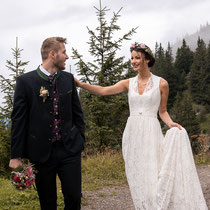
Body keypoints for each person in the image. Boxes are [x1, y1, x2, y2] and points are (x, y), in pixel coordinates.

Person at [74, 42, 208, 210]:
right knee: (137, 175)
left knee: (153, 173)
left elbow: (163, 112)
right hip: (133, 132)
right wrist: (80, 84)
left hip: (151, 131)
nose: (134, 61)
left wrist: (170, 123)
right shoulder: (127, 83)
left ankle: (156, 205)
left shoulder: (162, 84)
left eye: (137, 58)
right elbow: (103, 90)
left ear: (147, 60)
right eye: (132, 58)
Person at [9, 37, 85, 210]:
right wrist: (16, 155)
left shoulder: (68, 79)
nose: (67, 56)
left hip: (69, 150)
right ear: (52, 54)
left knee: (74, 198)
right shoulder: (25, 82)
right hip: (41, 153)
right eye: (64, 52)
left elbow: (77, 113)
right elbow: (18, 120)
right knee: (47, 202)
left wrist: (80, 138)